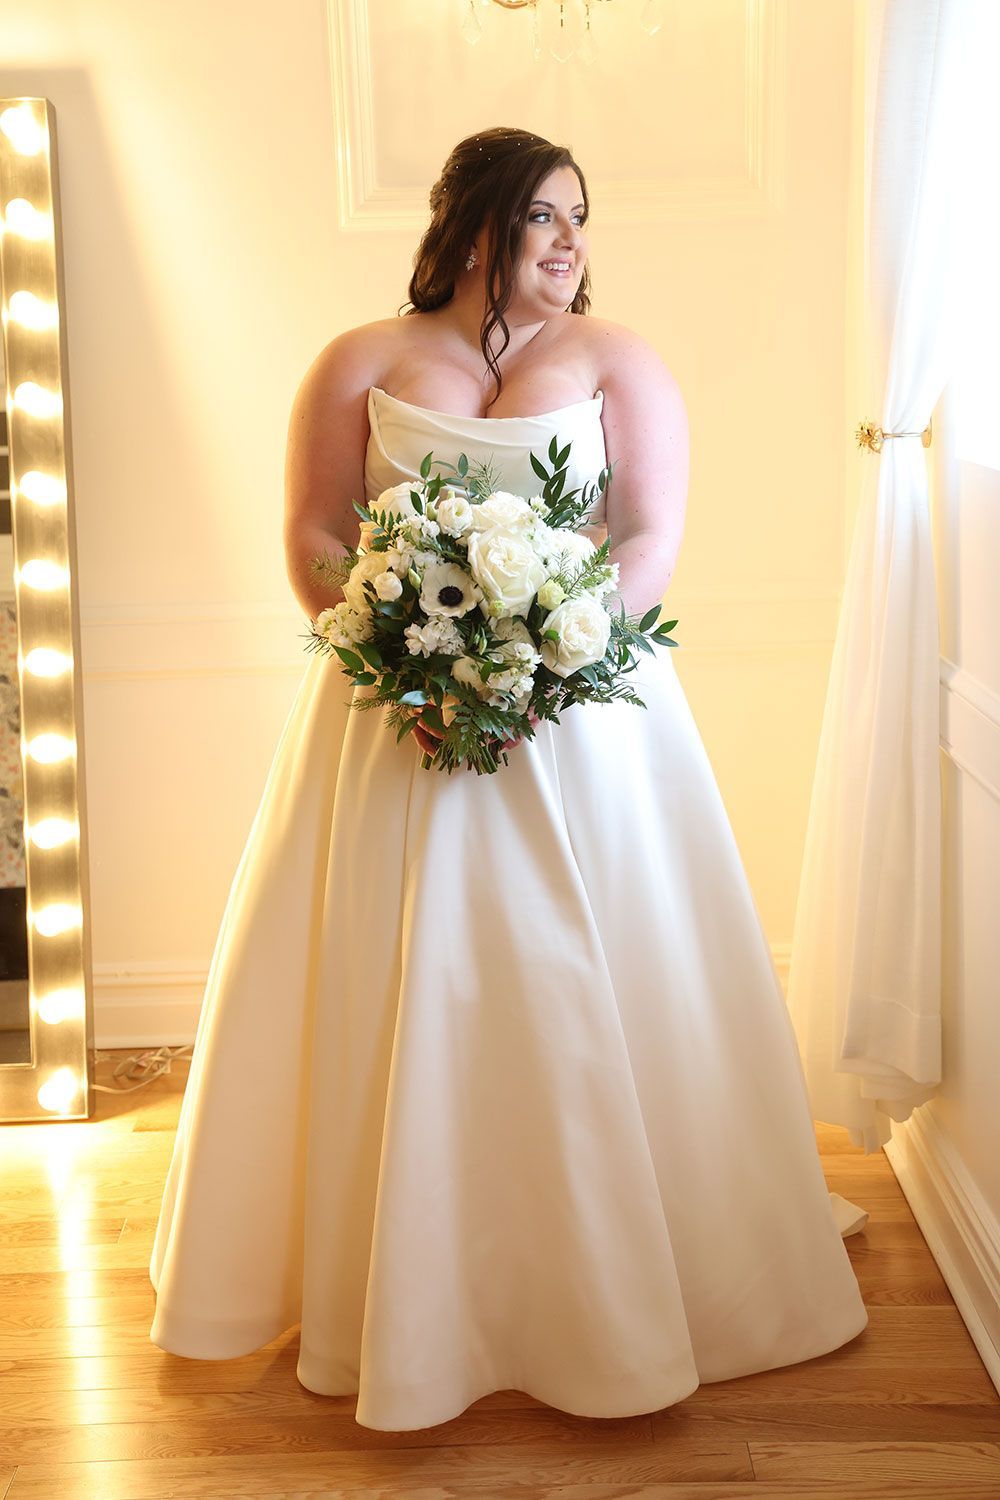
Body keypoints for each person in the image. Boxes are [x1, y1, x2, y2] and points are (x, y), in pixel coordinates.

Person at [148, 126, 869, 1433]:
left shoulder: (617, 362)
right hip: (388, 718)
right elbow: (314, 530)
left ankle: (623, 1284)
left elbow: (648, 533)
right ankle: (398, 1283)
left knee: (590, 974)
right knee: (392, 972)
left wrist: (544, 660)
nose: (573, 242)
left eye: (582, 217)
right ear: (475, 227)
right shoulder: (358, 360)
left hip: (586, 718)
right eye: (545, 217)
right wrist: (392, 644)